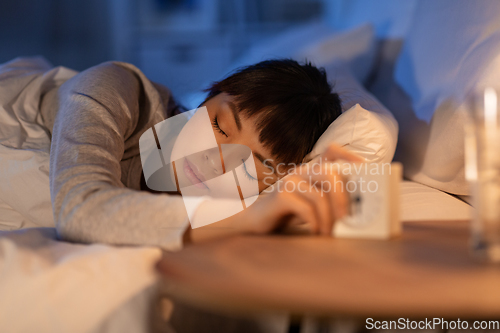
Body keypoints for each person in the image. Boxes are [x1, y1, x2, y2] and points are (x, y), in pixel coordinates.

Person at [43, 58, 362, 250]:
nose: (218, 161)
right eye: (220, 126)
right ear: (207, 97)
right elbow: (79, 212)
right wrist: (248, 219)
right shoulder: (113, 88)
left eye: (253, 165)